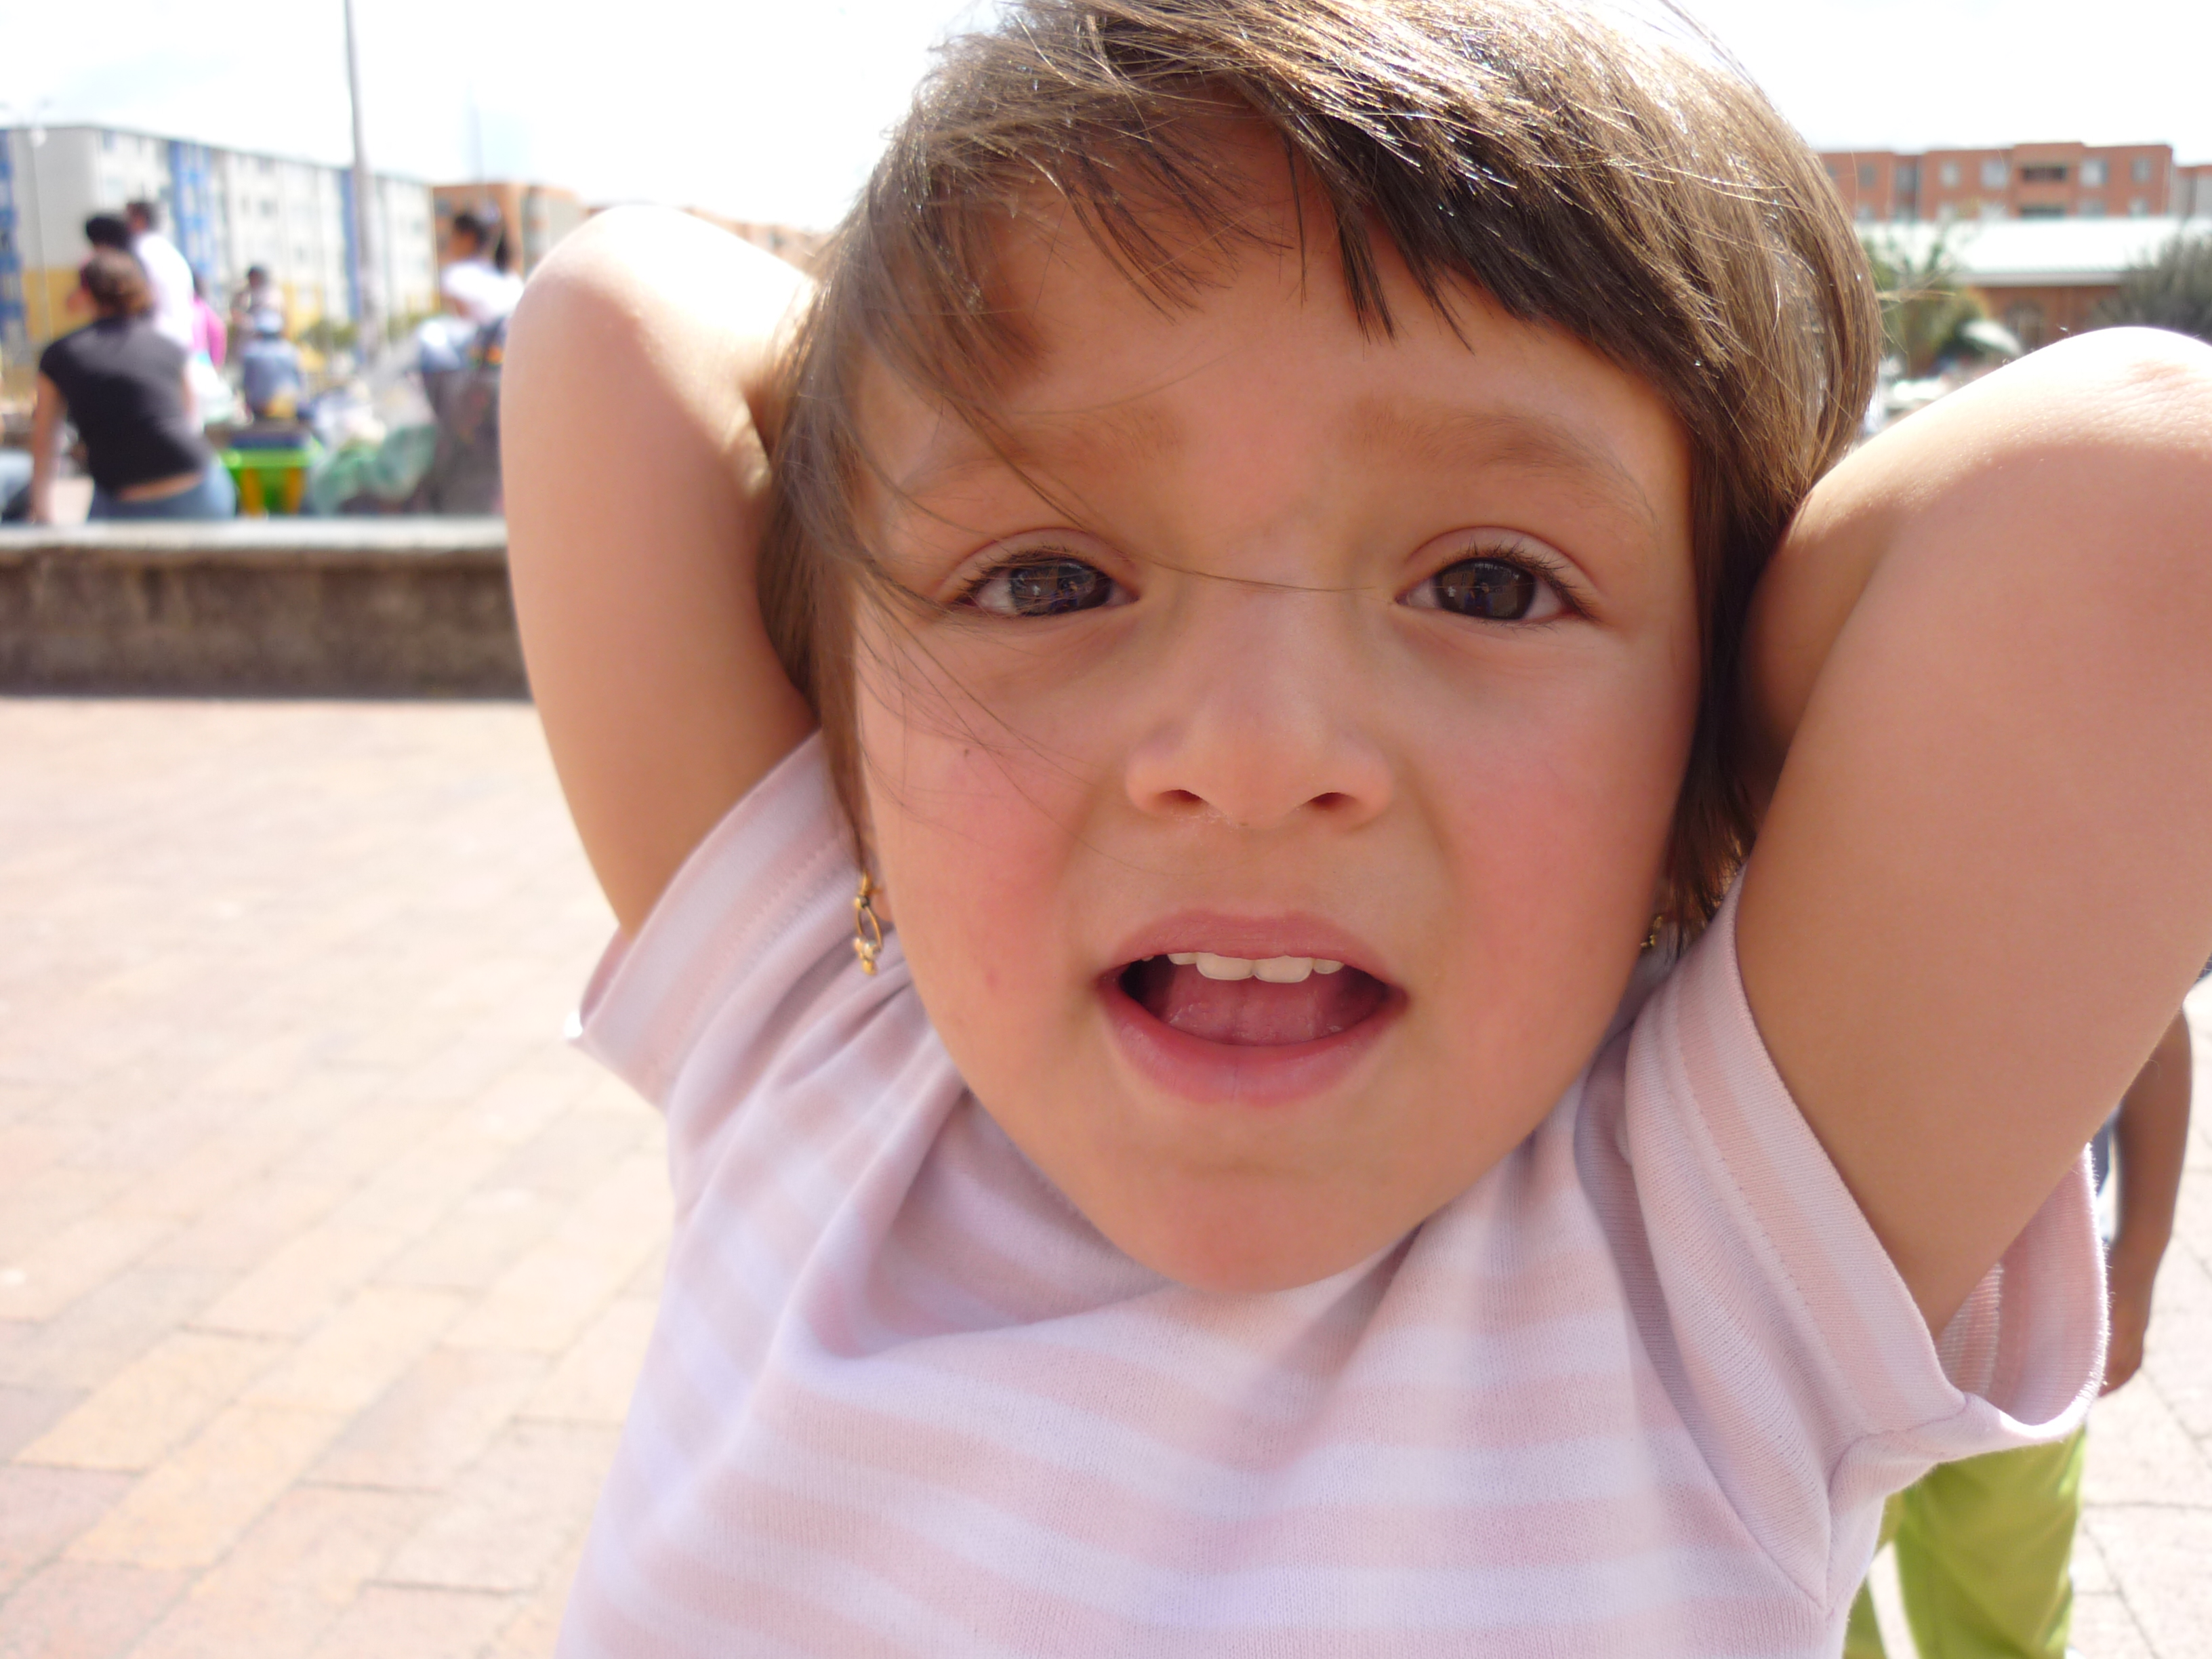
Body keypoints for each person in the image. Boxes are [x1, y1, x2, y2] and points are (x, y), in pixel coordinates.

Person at [503, 2, 2212, 1653]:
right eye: (1042, 576)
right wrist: (905, 369)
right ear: (855, 734)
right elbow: (606, 314)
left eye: (1487, 580)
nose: (1253, 753)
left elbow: (2153, 485)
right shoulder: (819, 1041)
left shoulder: (1705, 1259)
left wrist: (1713, 781)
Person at [1843, 1002, 2196, 1659]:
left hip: (2032, 1323)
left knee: (2010, 1584)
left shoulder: (2095, 910)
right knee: (1815, 1590)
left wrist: (2139, 1263)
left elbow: (2160, 1040)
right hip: (1835, 1313)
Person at [30, 249, 235, 522]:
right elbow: (190, 420)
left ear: (86, 293)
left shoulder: (60, 355)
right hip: (199, 486)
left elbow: (46, 441)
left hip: (123, 494)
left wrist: (42, 515)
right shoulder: (169, 346)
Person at [124, 199, 197, 352]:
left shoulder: (136, 251)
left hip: (153, 344)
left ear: (139, 220)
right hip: (181, 342)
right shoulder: (172, 253)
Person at [437, 209, 523, 327]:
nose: (449, 242)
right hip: (516, 336)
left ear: (468, 237)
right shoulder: (511, 276)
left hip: (486, 340)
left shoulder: (455, 274)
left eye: (453, 235)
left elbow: (463, 324)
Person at [237, 310, 306, 422]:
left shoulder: (251, 352)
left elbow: (246, 384)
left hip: (261, 408)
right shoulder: (291, 351)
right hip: (289, 408)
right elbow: (300, 382)